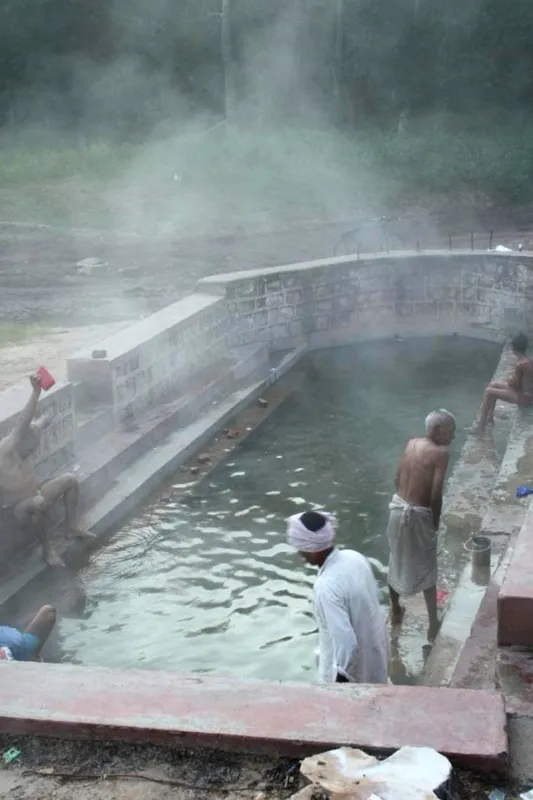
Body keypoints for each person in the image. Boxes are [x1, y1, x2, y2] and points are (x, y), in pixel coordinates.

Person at [0, 375, 95, 567]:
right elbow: (22, 424)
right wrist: (36, 392)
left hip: (36, 495)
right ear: (20, 443)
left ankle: (71, 527)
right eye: (29, 450)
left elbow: (38, 423)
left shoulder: (29, 440)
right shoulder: (6, 449)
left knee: (70, 480)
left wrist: (46, 417)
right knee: (36, 505)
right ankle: (47, 551)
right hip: (14, 510)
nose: (32, 454)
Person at [287, 510, 389, 684]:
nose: (299, 553)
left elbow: (347, 646)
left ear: (313, 550)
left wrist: (339, 687)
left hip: (350, 678)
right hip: (376, 660)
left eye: (301, 547)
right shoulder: (354, 558)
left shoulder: (326, 587)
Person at [386, 409, 455, 641]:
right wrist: (434, 522)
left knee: (396, 560)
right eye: (449, 432)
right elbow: (436, 495)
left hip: (397, 508)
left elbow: (396, 478)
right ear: (436, 431)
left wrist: (406, 498)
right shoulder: (440, 453)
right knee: (427, 568)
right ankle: (433, 625)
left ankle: (396, 610)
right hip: (418, 515)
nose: (452, 437)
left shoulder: (412, 443)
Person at [473, 332, 533, 435]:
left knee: (489, 392)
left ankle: (480, 427)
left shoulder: (521, 364)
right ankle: (490, 418)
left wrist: (511, 380)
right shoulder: (529, 360)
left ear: (513, 349)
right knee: (494, 384)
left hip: (525, 398)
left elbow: (514, 386)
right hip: (526, 394)